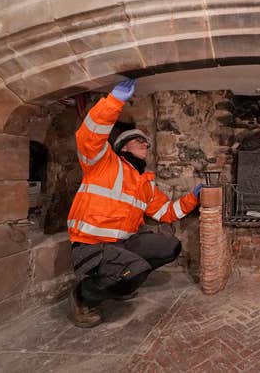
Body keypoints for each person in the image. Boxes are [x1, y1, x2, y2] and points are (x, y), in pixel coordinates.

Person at [66, 78, 202, 328]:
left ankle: (120, 278)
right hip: (90, 245)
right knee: (136, 270)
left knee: (169, 247)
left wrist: (195, 196)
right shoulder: (102, 163)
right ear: (122, 146)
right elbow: (89, 136)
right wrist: (114, 101)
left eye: (146, 143)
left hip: (123, 243)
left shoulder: (144, 183)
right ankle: (84, 296)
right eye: (139, 140)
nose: (145, 144)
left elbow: (167, 212)